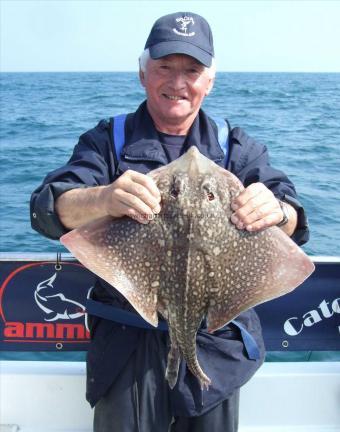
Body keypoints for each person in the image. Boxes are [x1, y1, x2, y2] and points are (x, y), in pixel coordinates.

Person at [30, 11, 309, 432]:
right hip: (127, 343)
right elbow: (48, 210)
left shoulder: (237, 147)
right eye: (165, 68)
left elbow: (295, 222)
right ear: (143, 74)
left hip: (218, 345)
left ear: (209, 81)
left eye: (192, 71)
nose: (178, 83)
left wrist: (278, 212)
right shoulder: (108, 142)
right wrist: (104, 197)